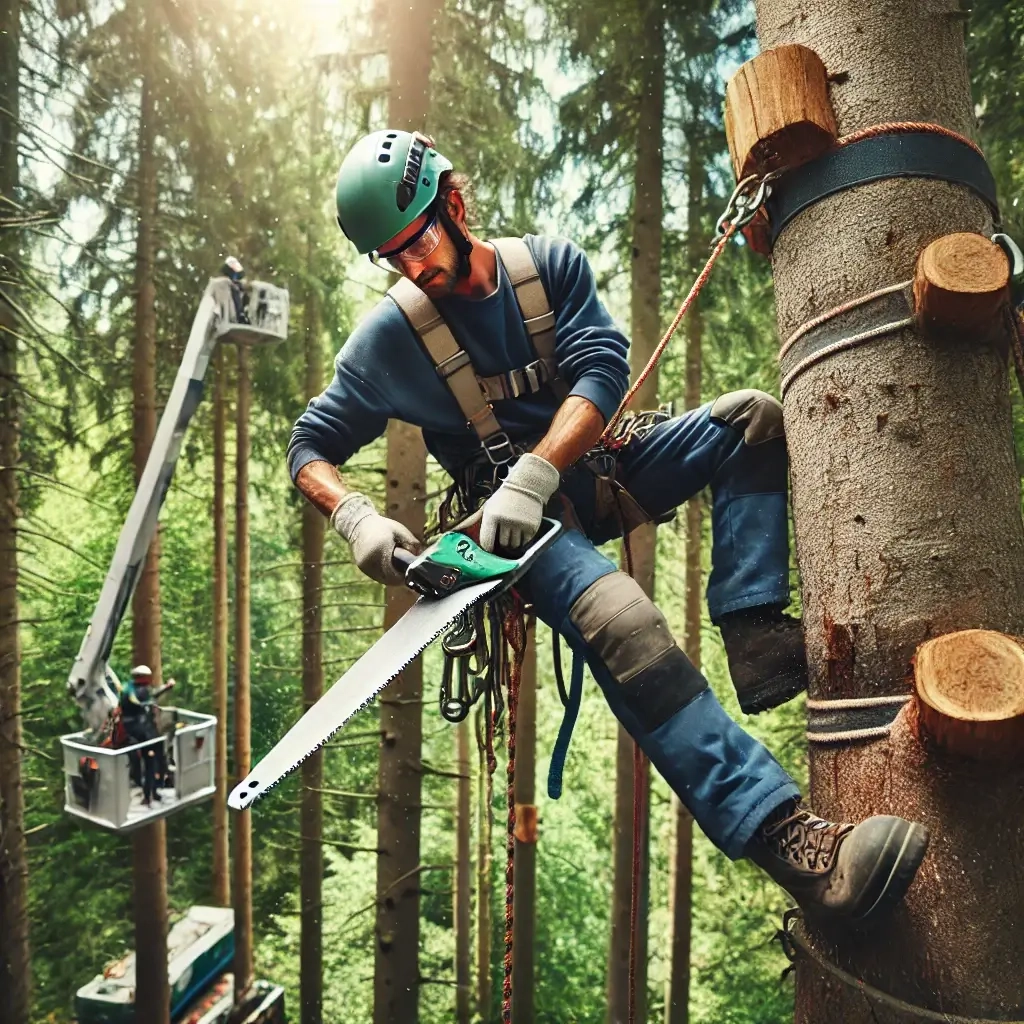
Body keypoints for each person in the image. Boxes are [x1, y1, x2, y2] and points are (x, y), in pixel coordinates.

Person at [287, 129, 929, 925]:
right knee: (628, 629)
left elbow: (601, 370)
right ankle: (796, 848)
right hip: (516, 535)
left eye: (415, 243)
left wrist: (543, 466)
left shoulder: (544, 269)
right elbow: (309, 447)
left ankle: (755, 631)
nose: (411, 268)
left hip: (594, 471)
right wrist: (354, 518)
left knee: (751, 424)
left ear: (451, 205)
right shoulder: (392, 340)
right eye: (393, 257)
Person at [118, 664, 167, 806]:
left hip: (140, 731)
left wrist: (165, 688)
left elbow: (150, 696)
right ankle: (150, 793)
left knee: (152, 760)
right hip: (142, 732)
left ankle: (152, 791)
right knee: (151, 761)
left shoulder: (131, 688)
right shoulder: (135, 691)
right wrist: (148, 704)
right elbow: (141, 701)